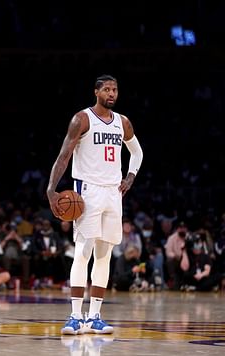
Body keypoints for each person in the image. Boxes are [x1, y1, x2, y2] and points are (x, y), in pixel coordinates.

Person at [46, 74, 143, 335]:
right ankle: (75, 316)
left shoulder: (123, 122)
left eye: (115, 90)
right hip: (87, 191)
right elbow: (64, 155)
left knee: (105, 255)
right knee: (83, 252)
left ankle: (95, 317)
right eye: (107, 90)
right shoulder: (82, 119)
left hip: (113, 193)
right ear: (96, 92)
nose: (112, 94)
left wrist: (130, 177)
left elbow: (137, 152)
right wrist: (51, 189)